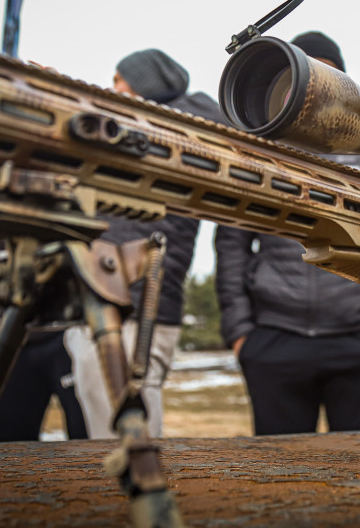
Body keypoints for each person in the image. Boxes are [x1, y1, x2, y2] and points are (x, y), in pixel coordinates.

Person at [214, 31, 360, 436]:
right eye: (308, 75)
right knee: (279, 479)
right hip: (274, 342)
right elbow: (232, 244)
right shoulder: (254, 153)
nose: (320, 90)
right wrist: (242, 334)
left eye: (329, 79)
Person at [99, 47, 226, 438]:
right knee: (97, 427)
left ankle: (142, 487)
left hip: (143, 302)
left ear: (143, 86)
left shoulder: (184, 130)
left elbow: (211, 121)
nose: (112, 90)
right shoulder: (125, 137)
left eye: (120, 82)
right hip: (100, 296)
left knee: (131, 420)